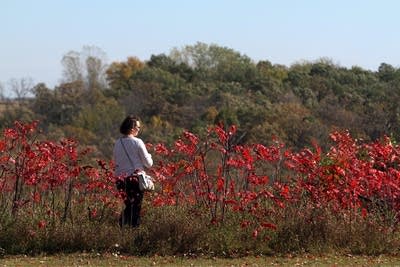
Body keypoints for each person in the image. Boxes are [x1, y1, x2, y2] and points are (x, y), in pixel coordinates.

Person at [113, 115, 153, 227]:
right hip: (134, 179)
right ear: (132, 128)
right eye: (138, 127)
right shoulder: (138, 142)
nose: (139, 130)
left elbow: (116, 161)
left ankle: (122, 229)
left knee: (129, 206)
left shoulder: (117, 143)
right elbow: (148, 163)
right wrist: (149, 155)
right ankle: (131, 232)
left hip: (120, 180)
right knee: (135, 207)